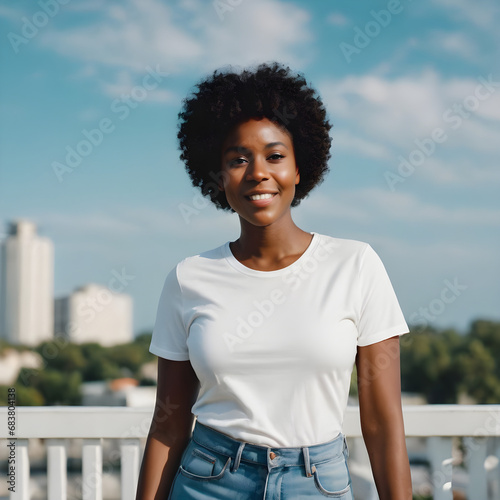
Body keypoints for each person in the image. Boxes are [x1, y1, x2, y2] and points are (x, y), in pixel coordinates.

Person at [136, 62, 412, 500]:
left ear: (300, 168)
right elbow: (168, 423)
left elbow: (381, 420)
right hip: (208, 481)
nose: (257, 172)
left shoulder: (356, 264)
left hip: (317, 483)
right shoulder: (189, 278)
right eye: (237, 159)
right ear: (218, 176)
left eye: (275, 156)